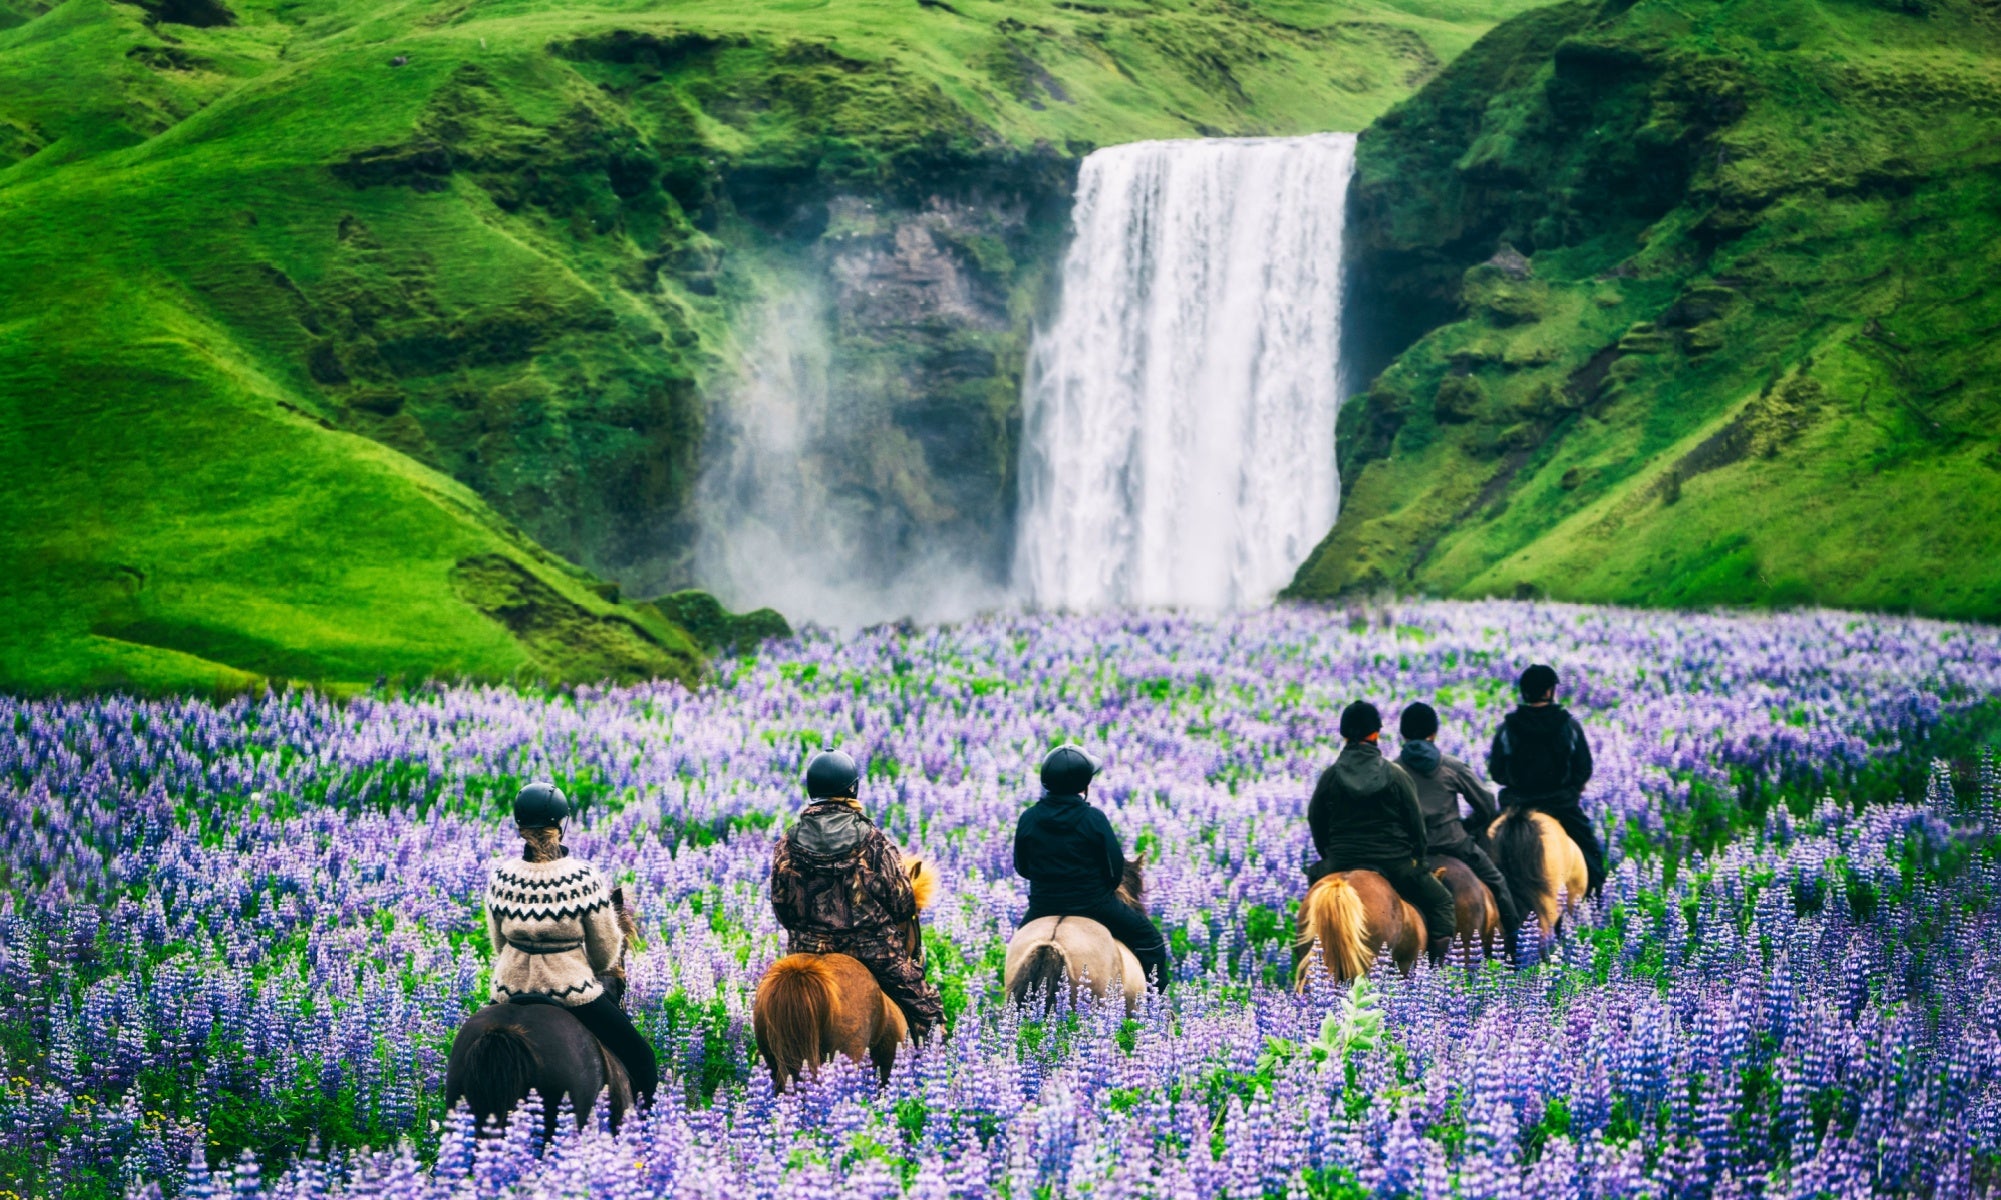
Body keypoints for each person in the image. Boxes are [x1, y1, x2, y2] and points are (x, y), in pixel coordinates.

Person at [485, 782, 659, 1105]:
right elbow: (606, 953)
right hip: (572, 992)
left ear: (520, 826)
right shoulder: (582, 879)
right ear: (560, 826)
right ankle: (642, 1140)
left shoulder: (501, 878)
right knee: (643, 1060)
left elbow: (498, 944)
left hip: (508, 990)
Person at [770, 750, 945, 1040]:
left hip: (806, 948)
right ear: (852, 788)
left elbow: (781, 906)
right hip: (871, 949)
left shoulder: (788, 840)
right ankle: (929, 1062)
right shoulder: (872, 839)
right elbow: (902, 903)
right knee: (928, 1010)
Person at [1013, 745, 1171, 989]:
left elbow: (1021, 867)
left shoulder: (1028, 817)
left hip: (1043, 904)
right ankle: (1155, 1010)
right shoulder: (1093, 818)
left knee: (1017, 948)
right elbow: (1115, 868)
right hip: (1093, 904)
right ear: (1083, 785)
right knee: (1149, 940)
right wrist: (1100, 890)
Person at [1305, 701, 1457, 951]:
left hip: (1342, 859)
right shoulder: (1395, 774)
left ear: (1343, 735)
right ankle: (1438, 972)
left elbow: (1316, 819)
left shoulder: (1330, 776)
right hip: (1393, 862)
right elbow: (1415, 823)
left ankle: (1307, 963)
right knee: (1442, 903)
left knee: (1312, 903)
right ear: (1376, 733)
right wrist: (1418, 858)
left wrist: (1329, 856)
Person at [1396, 702, 1524, 931]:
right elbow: (1486, 804)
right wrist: (1468, 825)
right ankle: (1516, 946)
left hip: (1408, 850)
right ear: (1433, 733)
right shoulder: (1451, 766)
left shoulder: (1392, 770)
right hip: (1453, 843)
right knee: (1497, 882)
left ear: (1402, 734)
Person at [1487, 664, 1607, 896]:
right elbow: (1583, 768)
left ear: (1524, 692)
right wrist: (1570, 787)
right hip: (1560, 805)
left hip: (1516, 805)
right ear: (1550, 692)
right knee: (1590, 857)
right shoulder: (1568, 725)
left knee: (1480, 848)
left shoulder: (1508, 727)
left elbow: (1497, 772)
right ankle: (1597, 903)